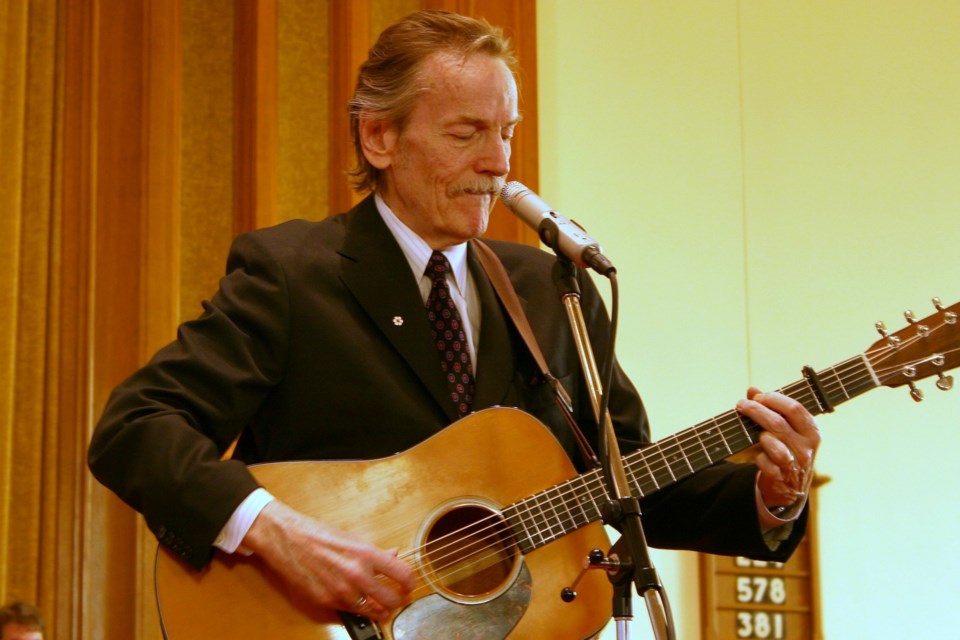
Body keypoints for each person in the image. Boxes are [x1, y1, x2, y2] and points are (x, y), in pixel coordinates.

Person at [88, 8, 820, 633]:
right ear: (380, 138)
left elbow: (624, 480)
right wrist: (279, 533)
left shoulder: (548, 289)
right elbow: (137, 429)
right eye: (467, 133)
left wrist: (770, 498)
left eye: (507, 132)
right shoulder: (292, 274)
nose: (498, 161)